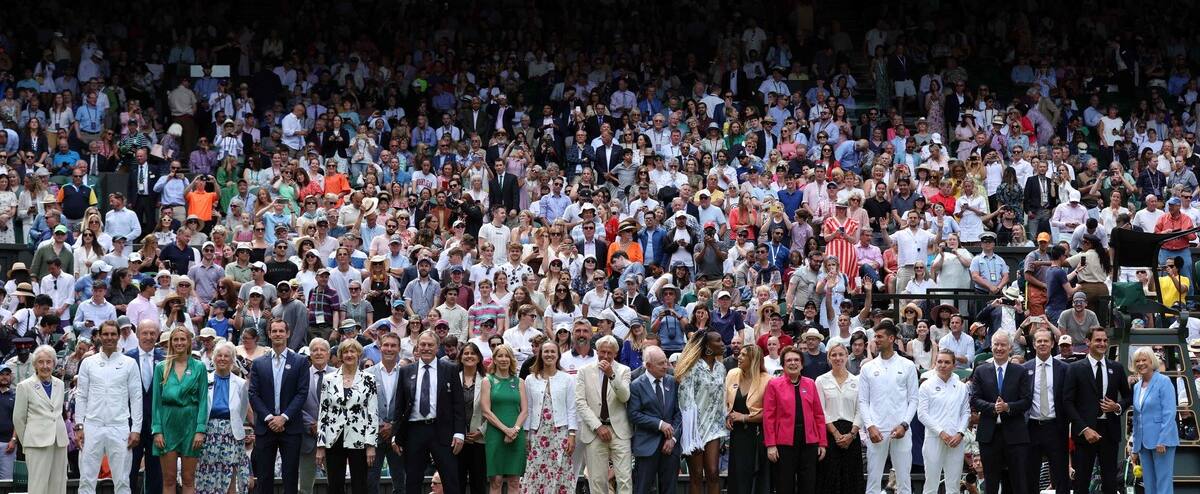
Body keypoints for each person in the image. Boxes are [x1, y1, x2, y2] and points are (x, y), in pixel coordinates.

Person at [393, 330, 465, 494]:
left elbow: (458, 404)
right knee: (412, 480)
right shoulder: (406, 371)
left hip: (442, 431)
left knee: (451, 480)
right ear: (417, 347)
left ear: (437, 347)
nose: (426, 348)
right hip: (414, 432)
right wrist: (395, 434)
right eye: (423, 345)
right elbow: (399, 406)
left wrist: (460, 433)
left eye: (430, 345)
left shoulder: (450, 369)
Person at [75, 320, 142, 494]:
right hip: (92, 425)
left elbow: (136, 398)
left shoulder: (129, 363)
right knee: (86, 481)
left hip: (119, 426)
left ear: (119, 336)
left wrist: (136, 429)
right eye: (105, 334)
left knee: (122, 481)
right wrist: (79, 425)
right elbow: (81, 396)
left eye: (113, 334)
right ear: (99, 336)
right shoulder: (88, 363)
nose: (109, 338)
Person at [1063, 327, 1131, 494]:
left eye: (1105, 340)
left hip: (1110, 431)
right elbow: (1067, 402)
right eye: (1098, 340)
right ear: (1088, 342)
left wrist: (1117, 407)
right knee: (1082, 482)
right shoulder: (1075, 368)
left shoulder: (1116, 367)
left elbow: (1129, 397)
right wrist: (1084, 429)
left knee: (1110, 482)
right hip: (1085, 432)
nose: (1102, 343)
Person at [249, 320, 311, 494]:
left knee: (290, 476)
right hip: (265, 427)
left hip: (290, 427)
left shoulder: (299, 362)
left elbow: (302, 393)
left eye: (281, 331)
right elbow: (253, 394)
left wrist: (284, 417)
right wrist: (269, 418)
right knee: (264, 477)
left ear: (287, 333)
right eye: (274, 331)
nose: (277, 334)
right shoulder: (259, 363)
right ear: (268, 334)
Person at [858, 322, 919, 494]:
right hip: (876, 430)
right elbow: (863, 401)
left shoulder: (907, 366)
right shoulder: (868, 368)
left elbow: (914, 399)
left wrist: (904, 425)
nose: (875, 340)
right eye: (875, 336)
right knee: (873, 481)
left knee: (904, 481)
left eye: (879, 336)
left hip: (901, 430)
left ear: (891, 338)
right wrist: (870, 426)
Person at [970, 330, 1032, 494]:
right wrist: (992, 407)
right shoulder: (981, 371)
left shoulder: (1020, 371)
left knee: (1018, 481)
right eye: (996, 344)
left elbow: (1026, 401)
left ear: (1010, 347)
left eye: (1003, 344)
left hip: (1015, 434)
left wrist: (1008, 407)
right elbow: (975, 399)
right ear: (991, 346)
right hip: (989, 435)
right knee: (991, 482)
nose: (999, 348)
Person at [151, 327, 209, 494]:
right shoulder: (161, 367)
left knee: (188, 478)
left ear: (189, 342)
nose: (179, 343)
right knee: (168, 479)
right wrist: (157, 430)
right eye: (175, 340)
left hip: (190, 426)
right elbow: (156, 402)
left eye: (182, 339)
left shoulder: (199, 367)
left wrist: (200, 430)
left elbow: (203, 401)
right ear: (170, 343)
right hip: (168, 425)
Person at [316, 339, 378, 494]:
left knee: (360, 485)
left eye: (352, 351)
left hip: (359, 438)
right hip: (334, 438)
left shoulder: (369, 379)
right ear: (340, 355)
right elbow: (323, 413)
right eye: (345, 352)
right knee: (335, 485)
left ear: (358, 354)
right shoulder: (329, 379)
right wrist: (320, 445)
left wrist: (371, 444)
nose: (349, 355)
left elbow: (372, 413)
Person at [763, 345, 828, 494]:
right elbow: (769, 416)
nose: (793, 363)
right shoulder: (774, 384)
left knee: (808, 483)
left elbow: (818, 414)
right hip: (784, 442)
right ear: (783, 364)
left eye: (796, 360)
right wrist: (771, 445)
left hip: (809, 441)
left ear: (802, 363)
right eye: (789, 360)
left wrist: (822, 442)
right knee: (784, 484)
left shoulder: (810, 383)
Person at [574, 335, 632, 494]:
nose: (605, 356)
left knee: (625, 479)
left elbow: (625, 397)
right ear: (597, 351)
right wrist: (598, 427)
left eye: (610, 353)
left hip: (620, 431)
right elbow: (580, 402)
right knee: (597, 482)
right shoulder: (584, 371)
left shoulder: (624, 370)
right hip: (595, 432)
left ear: (615, 354)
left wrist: (612, 375)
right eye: (602, 352)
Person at [674, 330, 727, 494]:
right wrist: (691, 434)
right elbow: (685, 401)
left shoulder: (721, 368)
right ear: (708, 347)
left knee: (713, 473)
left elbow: (723, 398)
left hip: (714, 428)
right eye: (718, 340)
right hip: (694, 429)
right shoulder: (691, 369)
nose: (723, 343)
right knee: (696, 475)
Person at [521, 340, 577, 494]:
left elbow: (571, 408)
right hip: (538, 432)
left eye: (553, 351)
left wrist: (572, 434)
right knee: (536, 469)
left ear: (558, 355)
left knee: (560, 469)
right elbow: (529, 408)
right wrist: (527, 433)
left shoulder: (567, 378)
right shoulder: (530, 379)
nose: (549, 354)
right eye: (546, 351)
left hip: (560, 432)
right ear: (540, 354)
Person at [195, 341, 251, 494]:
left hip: (231, 433)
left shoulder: (240, 383)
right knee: (206, 474)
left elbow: (242, 410)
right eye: (219, 355)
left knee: (230, 475)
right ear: (213, 358)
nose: (222, 359)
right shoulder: (204, 380)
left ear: (232, 360)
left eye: (227, 356)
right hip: (208, 432)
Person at [13, 345, 68, 494]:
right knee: (38, 487)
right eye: (41, 362)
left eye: (48, 362)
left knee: (58, 486)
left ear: (54, 363)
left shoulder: (60, 384)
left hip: (59, 441)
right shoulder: (24, 386)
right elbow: (18, 419)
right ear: (35, 364)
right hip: (36, 444)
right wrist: (28, 442)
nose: (45, 366)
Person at [1022, 329, 1070, 494]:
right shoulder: (1024, 369)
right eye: (1039, 341)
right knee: (1031, 475)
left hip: (1056, 427)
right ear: (1034, 344)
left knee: (1060, 475)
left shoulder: (1064, 368)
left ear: (1052, 343)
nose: (1042, 344)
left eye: (1046, 341)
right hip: (1031, 427)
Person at [629, 345, 681, 494]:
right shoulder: (636, 385)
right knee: (642, 489)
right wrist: (659, 424)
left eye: (666, 362)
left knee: (670, 489)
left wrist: (673, 439)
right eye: (661, 363)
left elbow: (679, 413)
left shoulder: (672, 381)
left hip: (670, 446)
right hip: (646, 446)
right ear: (648, 365)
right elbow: (634, 414)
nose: (666, 366)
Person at [917, 349, 970, 494]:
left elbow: (966, 412)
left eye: (947, 362)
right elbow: (922, 414)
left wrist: (960, 433)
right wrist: (941, 432)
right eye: (939, 362)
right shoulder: (926, 385)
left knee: (953, 486)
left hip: (956, 440)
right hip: (934, 439)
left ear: (954, 365)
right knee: (931, 485)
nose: (942, 365)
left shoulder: (961, 387)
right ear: (935, 363)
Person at [815, 342, 863, 494]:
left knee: (851, 479)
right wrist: (835, 434)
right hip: (830, 435)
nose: (838, 358)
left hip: (851, 436)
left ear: (847, 356)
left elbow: (861, 410)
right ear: (829, 358)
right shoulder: (821, 381)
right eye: (833, 355)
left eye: (841, 354)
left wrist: (852, 434)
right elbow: (820, 411)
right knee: (829, 479)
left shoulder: (857, 381)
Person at [1130, 346, 1179, 494]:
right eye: (1137, 361)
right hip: (1144, 444)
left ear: (1152, 361)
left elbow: (1169, 413)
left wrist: (1162, 440)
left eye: (1144, 360)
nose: (1140, 363)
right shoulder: (1137, 386)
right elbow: (1137, 418)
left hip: (1162, 442)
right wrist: (1135, 447)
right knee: (1149, 485)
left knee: (1163, 485)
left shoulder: (1164, 381)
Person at [480, 344, 527, 493]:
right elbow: (486, 411)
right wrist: (506, 430)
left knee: (514, 481)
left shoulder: (519, 381)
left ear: (511, 359)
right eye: (500, 355)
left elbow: (524, 410)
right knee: (496, 480)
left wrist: (515, 430)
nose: (503, 359)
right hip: (495, 434)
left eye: (507, 355)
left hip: (516, 435)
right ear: (494, 359)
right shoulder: (487, 381)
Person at [725, 344, 770, 494]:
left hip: (756, 435)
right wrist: (727, 416)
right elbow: (725, 402)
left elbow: (770, 413)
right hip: (737, 435)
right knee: (737, 476)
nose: (739, 357)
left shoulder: (767, 380)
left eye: (744, 355)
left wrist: (744, 417)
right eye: (740, 354)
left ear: (754, 359)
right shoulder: (732, 374)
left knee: (754, 476)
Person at [126, 319, 164, 494]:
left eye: (152, 333)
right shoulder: (126, 359)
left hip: (157, 425)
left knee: (156, 472)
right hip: (131, 425)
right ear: (138, 334)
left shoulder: (165, 360)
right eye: (145, 333)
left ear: (157, 335)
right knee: (129, 471)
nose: (148, 337)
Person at [366, 332, 405, 494]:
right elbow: (364, 405)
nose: (389, 349)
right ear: (380, 347)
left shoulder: (407, 372)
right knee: (370, 482)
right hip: (374, 436)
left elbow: (409, 405)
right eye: (386, 345)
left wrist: (394, 426)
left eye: (393, 345)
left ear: (399, 349)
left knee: (401, 482)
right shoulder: (368, 374)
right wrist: (380, 425)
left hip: (399, 436)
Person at [298, 338, 331, 494]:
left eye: (322, 350)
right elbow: (295, 402)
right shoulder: (300, 375)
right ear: (310, 354)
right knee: (304, 488)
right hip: (307, 436)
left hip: (333, 438)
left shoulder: (339, 374)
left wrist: (324, 425)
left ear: (329, 354)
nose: (318, 353)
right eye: (315, 350)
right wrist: (311, 424)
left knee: (336, 484)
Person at [456, 342, 487, 494]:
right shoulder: (453, 378)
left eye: (472, 353)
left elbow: (493, 410)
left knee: (479, 484)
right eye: (466, 353)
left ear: (479, 358)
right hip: (456, 440)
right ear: (460, 357)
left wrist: (482, 431)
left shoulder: (488, 380)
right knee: (457, 483)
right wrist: (459, 432)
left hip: (480, 440)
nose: (469, 356)